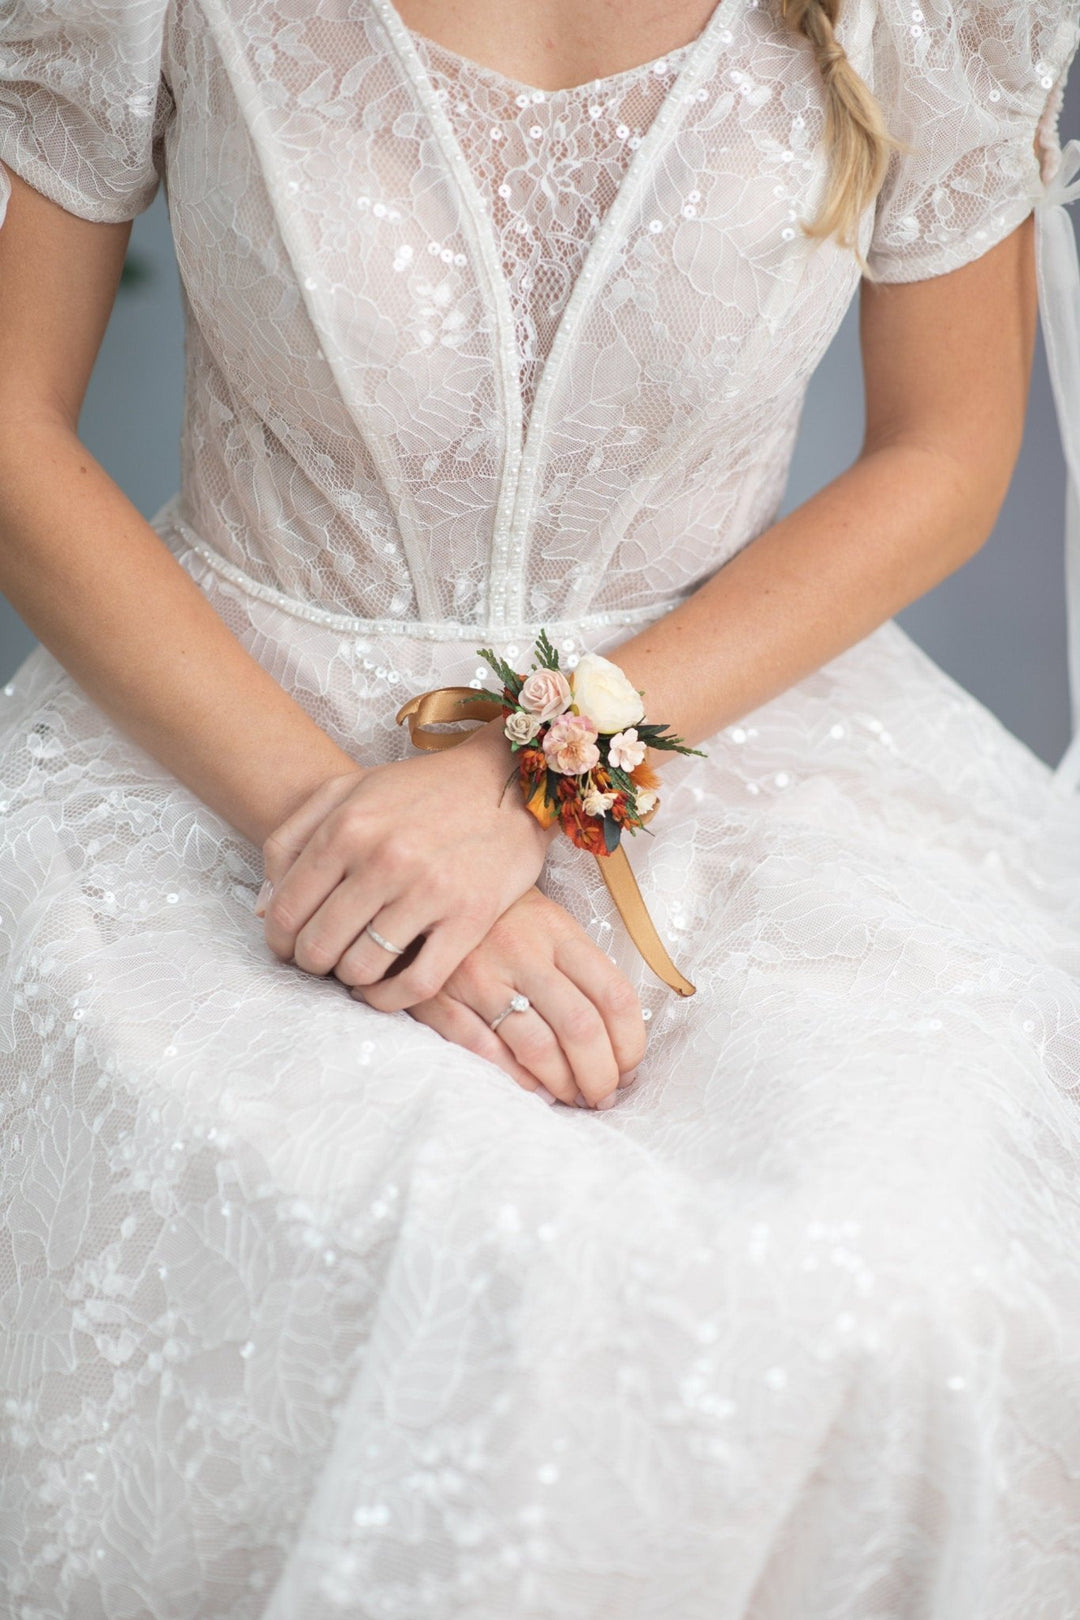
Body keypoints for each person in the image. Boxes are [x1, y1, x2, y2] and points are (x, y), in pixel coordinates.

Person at [2, 0, 1080, 1613]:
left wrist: (534, 774)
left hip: (728, 723)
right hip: (226, 736)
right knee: (469, 1270)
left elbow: (946, 451)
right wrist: (322, 818)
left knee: (906, 1279)